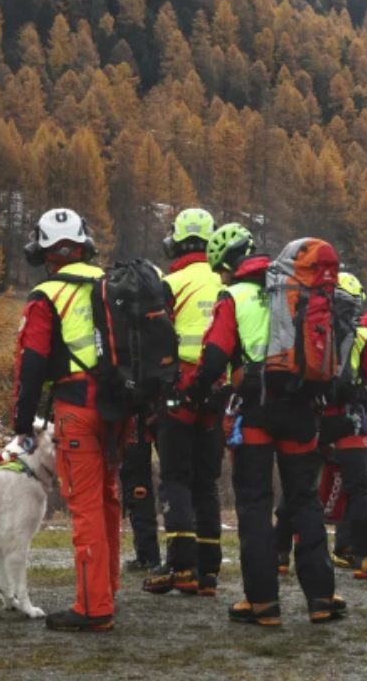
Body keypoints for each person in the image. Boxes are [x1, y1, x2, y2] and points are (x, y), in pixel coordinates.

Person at [187, 224, 344, 626]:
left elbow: (216, 355)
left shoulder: (233, 295)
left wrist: (196, 390)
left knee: (254, 505)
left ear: (225, 266)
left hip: (257, 410)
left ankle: (262, 604)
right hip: (302, 407)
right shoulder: (294, 290)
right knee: (304, 500)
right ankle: (322, 599)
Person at [10, 207, 123, 632]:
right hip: (119, 410)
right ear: (84, 244)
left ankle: (94, 608)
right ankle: (107, 588)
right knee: (109, 500)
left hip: (77, 409)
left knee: (87, 506)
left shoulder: (45, 297)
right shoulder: (110, 284)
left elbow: (32, 364)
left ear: (42, 250)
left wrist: (22, 423)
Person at [279, 272, 367, 580]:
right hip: (351, 421)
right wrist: (358, 392)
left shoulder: (309, 329)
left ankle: (280, 554)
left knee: (298, 484)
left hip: (315, 417)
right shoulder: (365, 336)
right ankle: (365, 558)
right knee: (360, 489)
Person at [143, 209, 225, 596]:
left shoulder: (168, 283)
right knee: (207, 482)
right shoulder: (226, 282)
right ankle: (209, 572)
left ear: (174, 242)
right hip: (216, 391)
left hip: (176, 392)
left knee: (175, 478)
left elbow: (154, 340)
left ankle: (182, 566)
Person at [119, 411, 161, 573]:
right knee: (136, 494)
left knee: (138, 493)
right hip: (142, 430)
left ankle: (149, 557)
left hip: (137, 434)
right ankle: (145, 555)